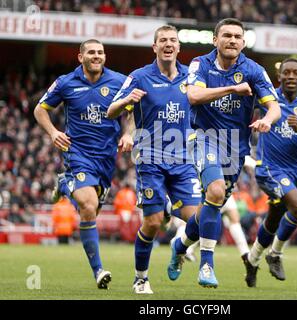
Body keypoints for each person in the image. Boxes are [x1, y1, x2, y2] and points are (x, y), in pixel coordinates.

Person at [168, 18, 281, 288]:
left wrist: (268, 120)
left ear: (243, 42)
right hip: (202, 136)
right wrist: (232, 88)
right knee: (216, 192)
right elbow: (193, 96)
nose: (232, 40)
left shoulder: (253, 70)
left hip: (236, 146)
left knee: (212, 205)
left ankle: (180, 244)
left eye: (237, 36)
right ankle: (207, 264)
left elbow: (274, 106)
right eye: (227, 35)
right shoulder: (200, 64)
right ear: (215, 40)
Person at [107, 25, 201, 294]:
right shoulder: (139, 76)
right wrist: (127, 98)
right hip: (151, 159)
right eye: (163, 40)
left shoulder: (191, 77)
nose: (168, 44)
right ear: (155, 47)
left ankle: (178, 246)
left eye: (173, 40)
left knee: (200, 221)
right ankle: (140, 278)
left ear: (179, 47)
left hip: (183, 161)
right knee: (152, 222)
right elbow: (111, 110)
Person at [34, 39, 127, 289]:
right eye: (91, 52)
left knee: (91, 209)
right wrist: (53, 132)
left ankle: (65, 185)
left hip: (106, 158)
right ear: (80, 57)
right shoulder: (66, 82)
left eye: (100, 52)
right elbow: (40, 110)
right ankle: (98, 271)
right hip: (78, 153)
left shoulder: (119, 81)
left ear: (105, 56)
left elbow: (131, 112)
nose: (96, 56)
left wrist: (128, 133)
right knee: (88, 204)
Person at [245, 58, 297, 287]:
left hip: (293, 171)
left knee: (274, 219)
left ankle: (252, 259)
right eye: (285, 72)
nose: (290, 76)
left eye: (295, 73)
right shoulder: (268, 99)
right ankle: (275, 254)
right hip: (268, 168)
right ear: (279, 77)